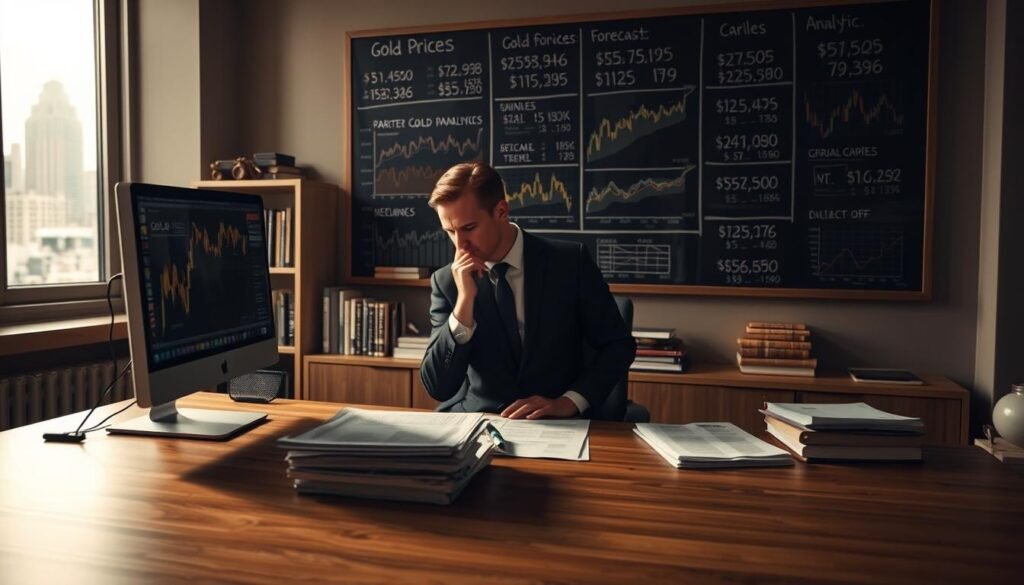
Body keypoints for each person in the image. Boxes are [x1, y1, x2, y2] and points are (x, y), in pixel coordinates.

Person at [419, 162, 635, 419]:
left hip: (558, 422)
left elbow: (618, 346)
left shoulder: (569, 263)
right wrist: (464, 304)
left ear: (501, 211)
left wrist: (569, 402)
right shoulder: (446, 281)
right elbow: (438, 387)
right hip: (479, 421)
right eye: (449, 232)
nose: (460, 244)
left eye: (468, 228)